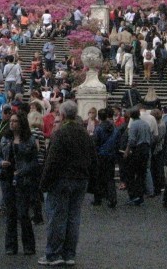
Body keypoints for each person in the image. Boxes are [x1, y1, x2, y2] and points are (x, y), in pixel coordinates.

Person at [38, 100, 95, 266]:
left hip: (62, 179)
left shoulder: (60, 133)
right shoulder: (84, 133)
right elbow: (93, 158)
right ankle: (69, 253)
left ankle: (54, 254)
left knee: (57, 217)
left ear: (62, 115)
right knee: (73, 218)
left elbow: (52, 160)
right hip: (80, 179)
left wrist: (44, 182)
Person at [0, 111, 39, 255]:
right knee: (10, 213)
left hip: (23, 179)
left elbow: (34, 162)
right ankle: (10, 246)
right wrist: (1, 162)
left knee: (23, 213)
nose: (12, 123)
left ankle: (28, 245)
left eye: (15, 121)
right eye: (11, 121)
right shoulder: (5, 138)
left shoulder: (30, 140)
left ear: (21, 123)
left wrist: (23, 170)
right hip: (7, 178)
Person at [123, 106, 152, 206]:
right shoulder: (146, 124)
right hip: (146, 149)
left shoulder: (134, 125)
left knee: (130, 173)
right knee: (141, 174)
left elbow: (131, 141)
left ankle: (133, 195)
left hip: (137, 150)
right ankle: (140, 195)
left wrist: (127, 151)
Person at [92, 108, 118, 209]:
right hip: (111, 155)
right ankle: (112, 198)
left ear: (99, 117)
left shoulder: (98, 129)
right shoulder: (114, 128)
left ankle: (98, 199)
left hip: (100, 155)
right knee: (110, 178)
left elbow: (95, 142)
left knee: (98, 177)